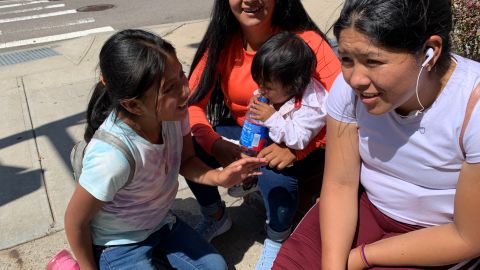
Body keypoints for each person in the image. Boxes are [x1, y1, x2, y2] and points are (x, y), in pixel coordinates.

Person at [273, 0, 480, 269]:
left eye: (373, 61)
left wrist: (362, 257)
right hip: (366, 206)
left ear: (430, 52)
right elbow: (340, 184)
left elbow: (468, 236)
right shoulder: (349, 92)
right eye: (346, 59)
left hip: (438, 233)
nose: (356, 78)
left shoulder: (472, 106)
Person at [64, 29, 266, 270]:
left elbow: (187, 160)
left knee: (216, 267)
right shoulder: (112, 156)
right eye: (170, 88)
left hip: (161, 223)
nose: (185, 90)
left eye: (182, 75)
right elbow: (75, 222)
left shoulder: (174, 114)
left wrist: (220, 177)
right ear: (133, 105)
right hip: (118, 243)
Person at [186, 0, 341, 269]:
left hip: (294, 139)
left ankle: (277, 237)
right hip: (244, 134)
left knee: (276, 175)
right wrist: (215, 145)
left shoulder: (305, 43)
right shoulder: (221, 43)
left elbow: (345, 108)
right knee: (185, 144)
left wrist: (296, 150)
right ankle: (216, 215)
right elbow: (190, 105)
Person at [248, 31, 327, 152]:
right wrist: (257, 97)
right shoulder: (280, 87)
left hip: (308, 158)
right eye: (259, 84)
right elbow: (269, 91)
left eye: (267, 88)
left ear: (292, 87)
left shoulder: (310, 106)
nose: (261, 90)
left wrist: (271, 118)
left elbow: (299, 139)